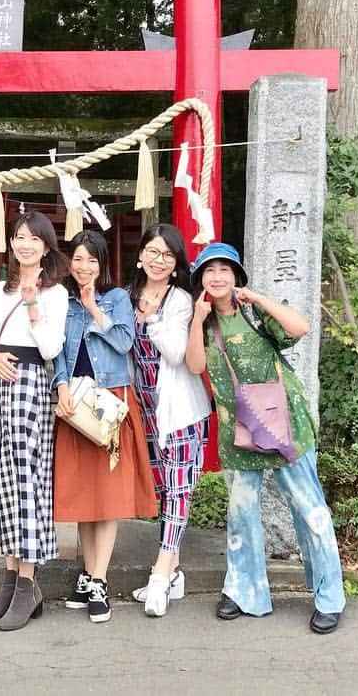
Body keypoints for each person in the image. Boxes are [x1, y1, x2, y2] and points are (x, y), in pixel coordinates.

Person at [184, 242, 345, 634]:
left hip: (283, 427)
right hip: (236, 432)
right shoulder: (203, 322)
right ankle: (244, 591)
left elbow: (300, 327)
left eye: (225, 269)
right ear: (201, 280)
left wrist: (257, 297)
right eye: (209, 270)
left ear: (237, 276)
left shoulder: (255, 314)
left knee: (311, 510)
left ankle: (329, 597)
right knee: (240, 515)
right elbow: (194, 365)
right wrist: (195, 319)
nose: (217, 276)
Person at [52, 230, 156, 624]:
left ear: (102, 264)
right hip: (75, 403)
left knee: (108, 494)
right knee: (83, 492)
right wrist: (59, 385)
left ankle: (99, 579)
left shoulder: (115, 299)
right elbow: (57, 351)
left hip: (110, 401)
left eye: (91, 260)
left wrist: (95, 308)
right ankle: (86, 577)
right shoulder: (61, 301)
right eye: (77, 259)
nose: (83, 267)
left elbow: (125, 342)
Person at [0, 211, 70, 631]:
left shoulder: (55, 294)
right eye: (19, 237)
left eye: (34, 238)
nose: (25, 244)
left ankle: (29, 582)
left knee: (27, 477)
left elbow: (51, 349)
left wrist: (33, 302)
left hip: (31, 385)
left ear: (47, 247)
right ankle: (10, 575)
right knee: (3, 478)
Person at [127, 224, 212, 617]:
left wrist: (150, 319)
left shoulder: (180, 301)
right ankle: (174, 573)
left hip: (180, 413)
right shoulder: (126, 298)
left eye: (167, 255)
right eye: (153, 251)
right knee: (164, 492)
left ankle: (160, 575)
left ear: (177, 263)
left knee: (178, 491)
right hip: (144, 411)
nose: (159, 260)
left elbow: (178, 353)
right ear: (140, 255)